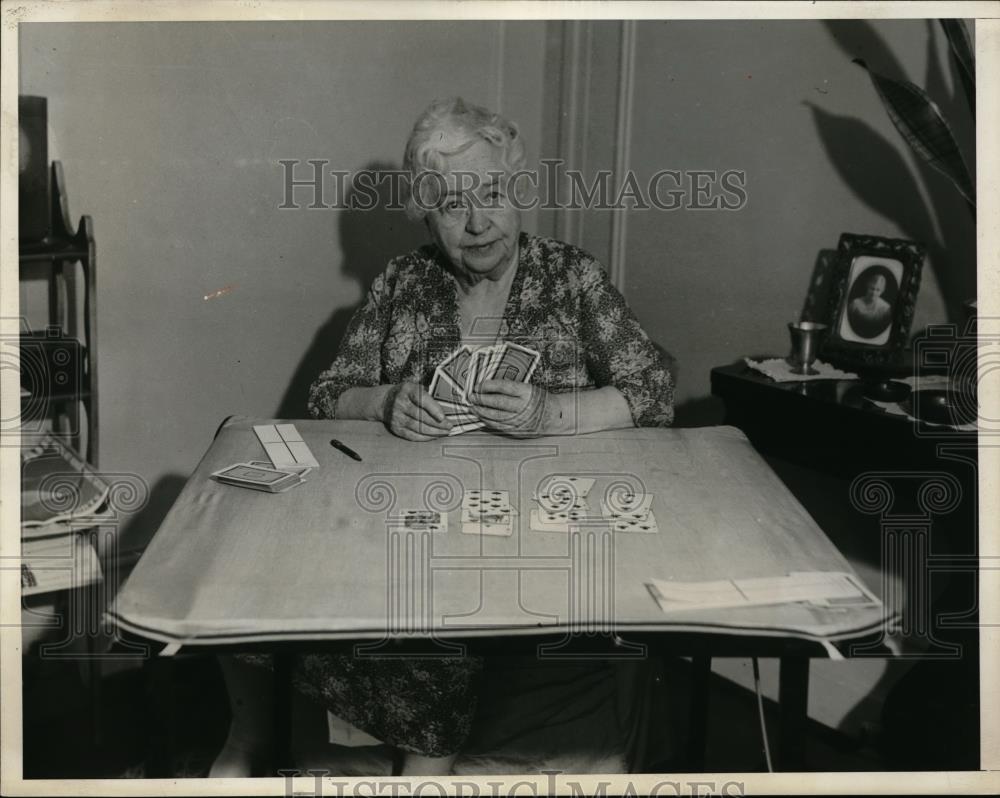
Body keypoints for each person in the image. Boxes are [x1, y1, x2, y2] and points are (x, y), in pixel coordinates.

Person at [211, 97, 674, 777]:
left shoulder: (571, 278)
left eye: (492, 193)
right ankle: (253, 734)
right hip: (412, 516)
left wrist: (552, 415)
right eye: (453, 204)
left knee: (439, 612)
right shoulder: (404, 281)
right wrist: (386, 400)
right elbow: (328, 392)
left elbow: (653, 388)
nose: (478, 221)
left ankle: (422, 757)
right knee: (264, 581)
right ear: (427, 214)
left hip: (533, 526)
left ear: (518, 190)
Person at [847, 271, 892, 339]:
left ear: (882, 291)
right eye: (872, 288)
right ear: (867, 287)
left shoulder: (885, 308)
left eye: (878, 290)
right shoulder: (855, 303)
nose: (874, 293)